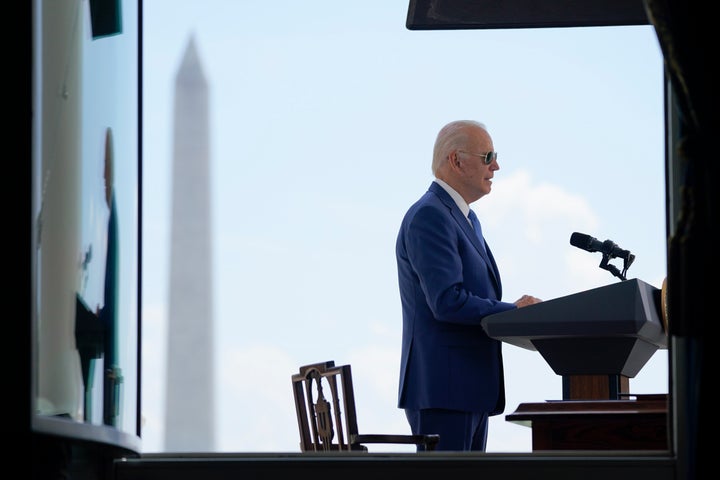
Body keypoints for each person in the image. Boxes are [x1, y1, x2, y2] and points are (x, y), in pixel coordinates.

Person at [395, 119, 542, 451]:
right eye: (487, 156)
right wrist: (514, 311)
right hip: (444, 389)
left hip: (469, 387)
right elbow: (447, 301)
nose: (496, 166)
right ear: (456, 160)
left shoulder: (466, 219)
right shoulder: (429, 216)